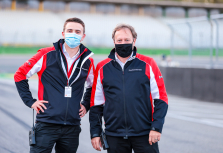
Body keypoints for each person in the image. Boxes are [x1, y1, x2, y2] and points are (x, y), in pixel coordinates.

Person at [14, 17, 94, 153]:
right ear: (63, 34)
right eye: (70, 30)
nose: (73, 34)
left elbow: (92, 86)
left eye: (77, 31)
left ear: (83, 36)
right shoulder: (45, 54)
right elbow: (20, 75)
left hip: (72, 126)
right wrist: (30, 101)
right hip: (46, 124)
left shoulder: (88, 61)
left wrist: (86, 104)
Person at [89, 24, 168, 153]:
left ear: (134, 40)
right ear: (114, 42)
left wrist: (156, 127)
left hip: (145, 134)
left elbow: (161, 99)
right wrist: (95, 133)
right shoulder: (102, 67)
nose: (123, 43)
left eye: (126, 40)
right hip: (114, 135)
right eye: (119, 40)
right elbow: (96, 104)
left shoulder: (148, 64)